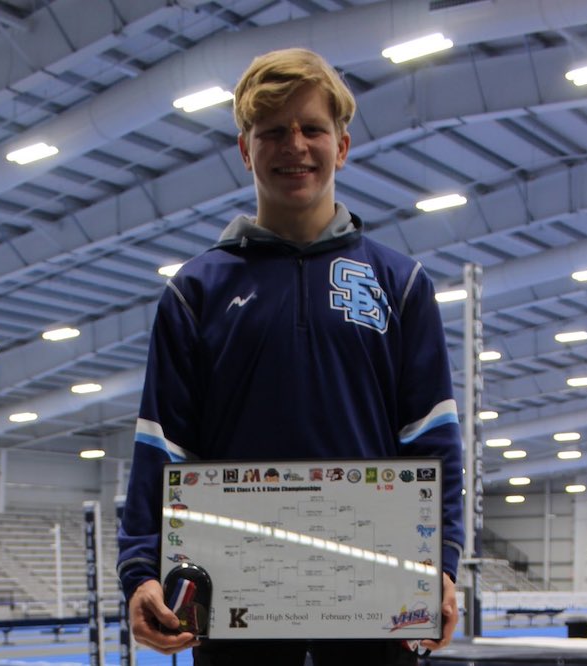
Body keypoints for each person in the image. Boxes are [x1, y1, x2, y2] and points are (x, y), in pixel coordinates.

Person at [117, 47, 464, 665]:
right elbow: (162, 443)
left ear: (343, 145)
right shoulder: (196, 292)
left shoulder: (400, 284)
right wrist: (142, 569)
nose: (294, 146)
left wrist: (441, 564)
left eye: (311, 128)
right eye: (272, 132)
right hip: (235, 602)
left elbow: (431, 438)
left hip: (374, 599)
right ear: (246, 151)